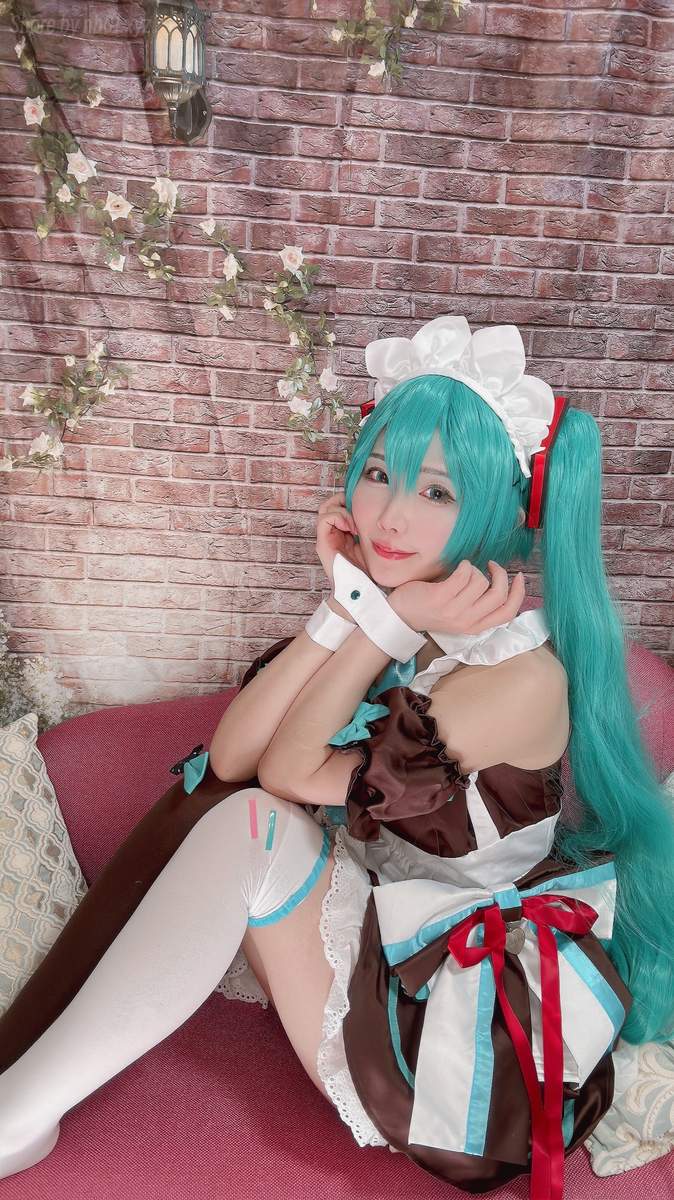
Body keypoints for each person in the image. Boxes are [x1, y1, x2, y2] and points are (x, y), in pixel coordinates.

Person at [0, 317, 672, 1200]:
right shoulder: (414, 625)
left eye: (437, 492)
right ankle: (20, 1103)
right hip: (392, 950)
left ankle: (14, 1118)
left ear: (503, 514)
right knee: (225, 804)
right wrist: (347, 606)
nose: (390, 514)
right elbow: (232, 754)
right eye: (381, 473)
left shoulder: (517, 679)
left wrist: (382, 621)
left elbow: (285, 774)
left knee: (253, 824)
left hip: (455, 1041)